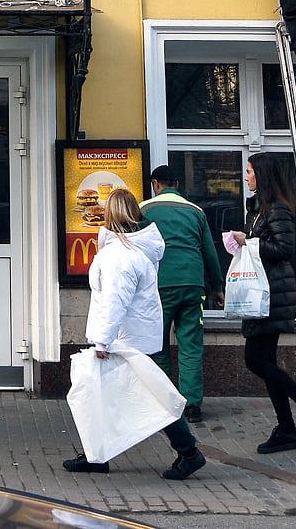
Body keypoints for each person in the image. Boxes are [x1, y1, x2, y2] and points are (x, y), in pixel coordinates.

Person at [63, 189, 207, 480]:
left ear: (110, 216)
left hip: (123, 339)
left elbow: (115, 301)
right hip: (136, 335)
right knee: (118, 394)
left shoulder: (119, 256)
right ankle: (97, 455)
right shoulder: (139, 251)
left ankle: (188, 452)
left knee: (149, 398)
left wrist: (103, 340)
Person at [229, 153, 296, 453]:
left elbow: (284, 248)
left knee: (255, 360)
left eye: (250, 171)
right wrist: (244, 241)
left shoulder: (276, 208)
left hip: (272, 294)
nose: (246, 176)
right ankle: (286, 427)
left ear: (262, 175)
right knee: (266, 361)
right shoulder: (258, 209)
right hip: (262, 292)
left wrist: (248, 242)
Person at [140, 165, 224, 423]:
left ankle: (165, 403)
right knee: (190, 345)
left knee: (158, 345)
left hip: (160, 286)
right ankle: (192, 405)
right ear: (176, 184)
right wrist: (217, 287)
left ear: (155, 184)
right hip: (192, 285)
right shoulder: (196, 211)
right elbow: (209, 252)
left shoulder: (144, 210)